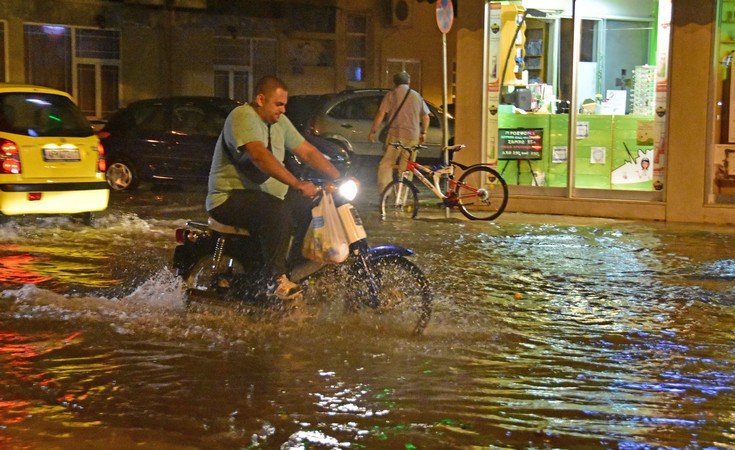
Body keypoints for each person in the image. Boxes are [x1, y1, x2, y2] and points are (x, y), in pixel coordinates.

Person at [206, 75, 341, 301]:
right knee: (277, 211)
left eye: (285, 105)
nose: (283, 110)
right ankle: (276, 279)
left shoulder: (279, 123)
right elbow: (259, 156)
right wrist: (297, 183)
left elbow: (307, 151)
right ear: (260, 99)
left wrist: (339, 176)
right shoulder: (242, 116)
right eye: (278, 104)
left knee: (311, 205)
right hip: (228, 198)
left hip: (264, 196)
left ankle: (294, 268)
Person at [368, 71, 430, 194]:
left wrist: (373, 131)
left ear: (395, 83)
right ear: (409, 82)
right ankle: (402, 197)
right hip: (413, 136)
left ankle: (386, 192)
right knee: (406, 167)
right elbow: (426, 117)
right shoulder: (417, 96)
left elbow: (381, 114)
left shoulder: (391, 95)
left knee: (386, 164)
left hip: (395, 135)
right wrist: (424, 132)